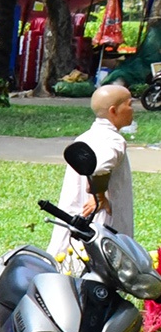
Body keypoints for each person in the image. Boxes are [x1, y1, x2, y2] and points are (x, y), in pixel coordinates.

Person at [52, 83, 136, 263]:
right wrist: (98, 196)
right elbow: (100, 167)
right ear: (114, 110)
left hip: (78, 214)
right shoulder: (113, 140)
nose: (132, 110)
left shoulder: (86, 136)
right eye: (129, 104)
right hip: (100, 219)